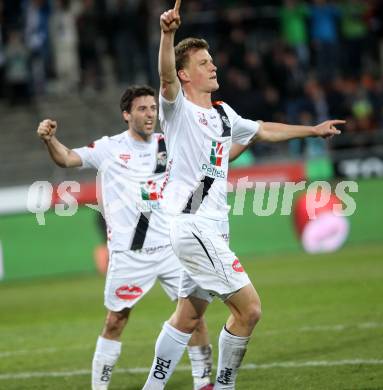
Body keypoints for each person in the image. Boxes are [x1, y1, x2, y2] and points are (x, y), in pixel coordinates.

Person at [142, 1, 344, 389]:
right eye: (203, 63)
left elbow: (262, 129)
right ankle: (225, 385)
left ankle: (153, 386)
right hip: (194, 225)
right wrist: (167, 34)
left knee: (187, 316)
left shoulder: (222, 113)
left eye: (212, 60)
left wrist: (312, 130)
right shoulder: (178, 109)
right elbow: (165, 76)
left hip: (212, 224)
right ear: (186, 75)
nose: (213, 66)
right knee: (249, 309)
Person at [36, 85, 215, 390]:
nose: (150, 114)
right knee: (115, 321)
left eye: (153, 108)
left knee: (194, 316)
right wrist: (50, 139)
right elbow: (66, 159)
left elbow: (203, 170)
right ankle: (99, 387)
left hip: (172, 250)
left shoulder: (167, 144)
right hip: (129, 254)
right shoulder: (108, 148)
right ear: (126, 114)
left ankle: (203, 382)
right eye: (142, 109)